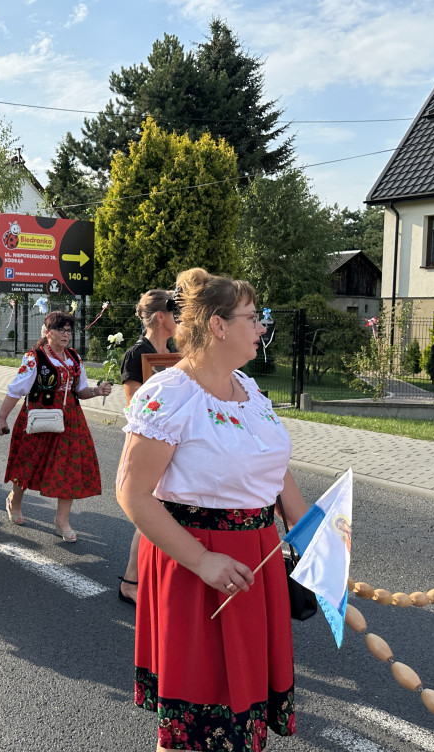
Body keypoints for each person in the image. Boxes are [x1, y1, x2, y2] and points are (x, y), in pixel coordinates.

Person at [115, 268, 307, 752]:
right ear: (218, 326)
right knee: (192, 724)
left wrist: (314, 539)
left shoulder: (249, 389)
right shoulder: (170, 395)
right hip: (200, 565)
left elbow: (277, 474)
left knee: (239, 714)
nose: (262, 327)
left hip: (256, 563)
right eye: (253, 317)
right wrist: (202, 561)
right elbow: (132, 494)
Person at [0, 310, 112, 541]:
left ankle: (61, 521)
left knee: (69, 470)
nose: (66, 334)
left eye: (69, 330)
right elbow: (15, 390)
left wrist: (98, 391)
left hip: (70, 422)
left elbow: (81, 391)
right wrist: (1, 418)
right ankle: (14, 502)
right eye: (61, 329)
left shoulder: (74, 358)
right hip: (38, 418)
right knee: (28, 464)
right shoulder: (34, 357)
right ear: (47, 332)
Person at [117, 289, 180, 606]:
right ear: (160, 317)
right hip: (150, 446)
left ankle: (152, 579)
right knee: (151, 515)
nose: (178, 319)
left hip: (176, 445)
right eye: (174, 312)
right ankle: (130, 582)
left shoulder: (176, 353)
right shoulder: (137, 354)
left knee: (169, 513)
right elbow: (134, 408)